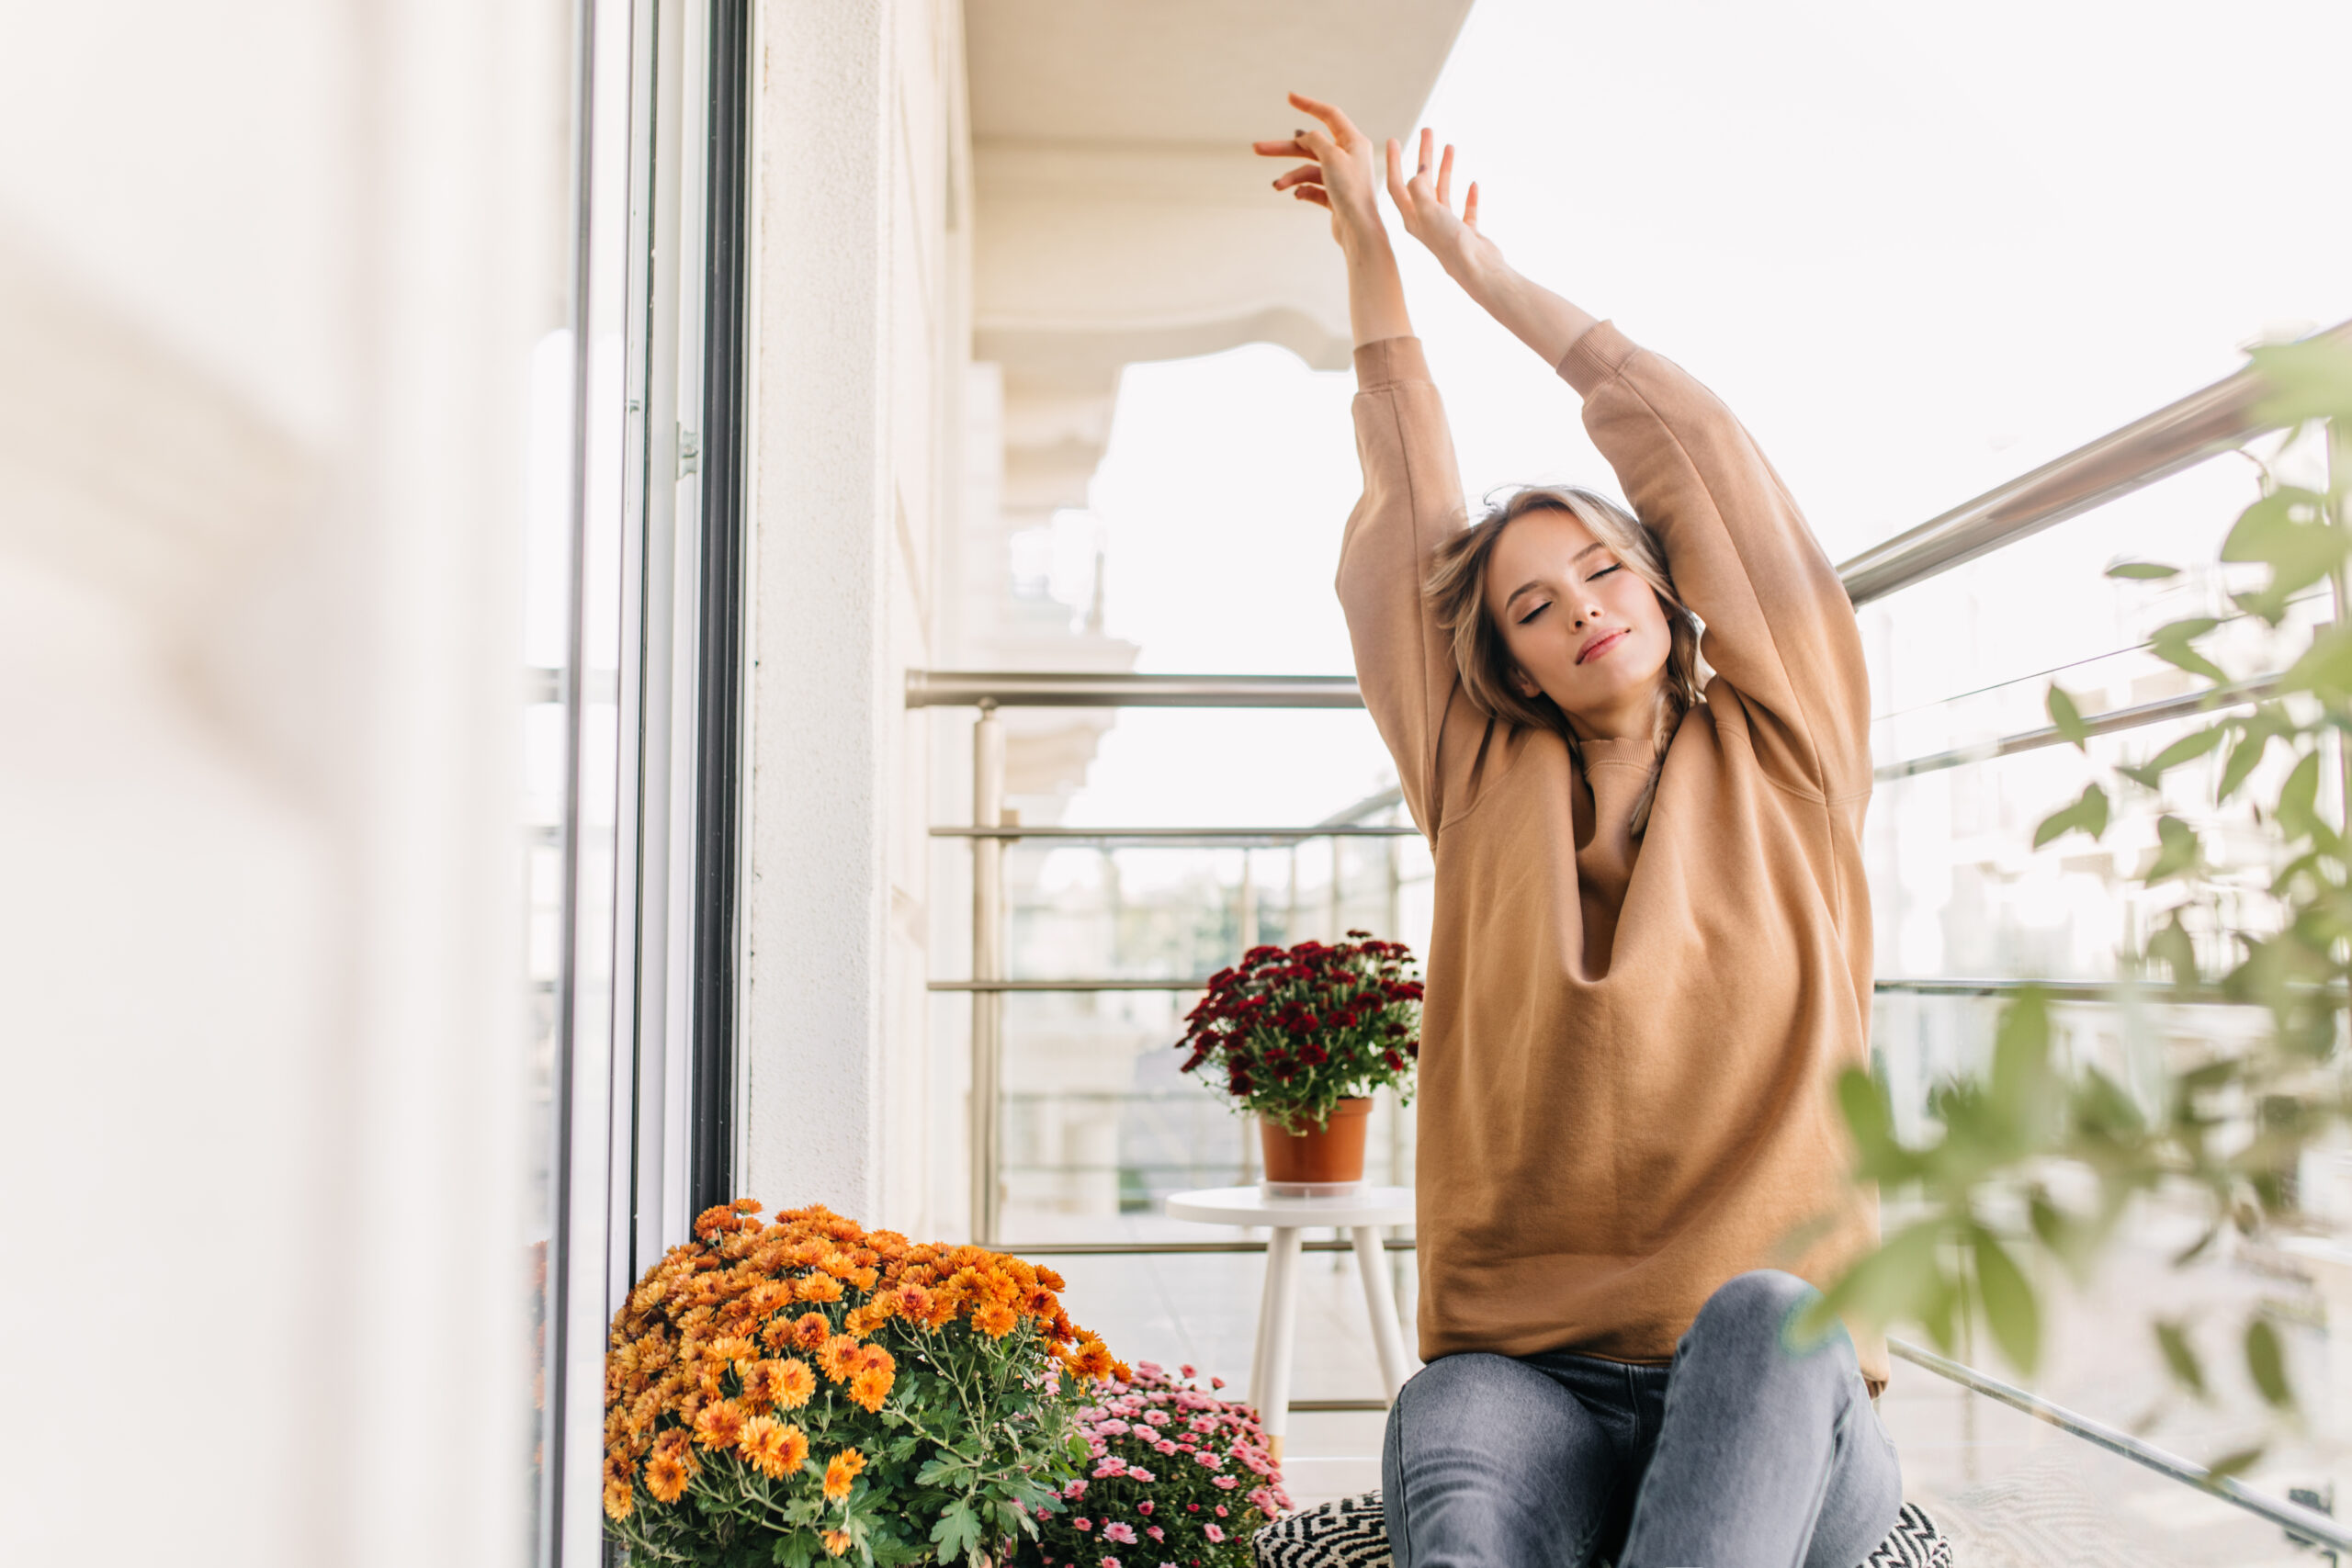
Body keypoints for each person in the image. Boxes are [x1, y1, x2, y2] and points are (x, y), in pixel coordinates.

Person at [1253, 92, 1902, 1568]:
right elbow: (1411, 505)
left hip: (1779, 1399)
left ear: (1670, 593)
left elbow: (1697, 449)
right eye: (1533, 609)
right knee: (1449, 1426)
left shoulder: (1788, 747)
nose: (1582, 609)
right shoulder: (1480, 783)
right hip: (1534, 1381)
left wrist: (1471, 264)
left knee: (1766, 1310)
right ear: (1509, 667)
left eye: (1604, 571)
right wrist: (1369, 252)